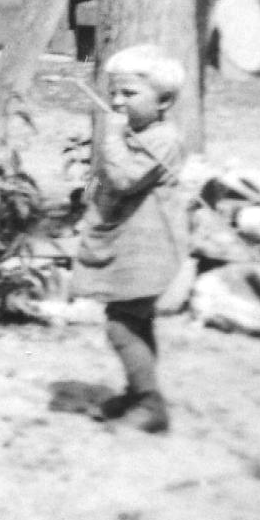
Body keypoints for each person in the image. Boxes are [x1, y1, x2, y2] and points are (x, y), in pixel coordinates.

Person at [71, 44, 190, 434]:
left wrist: (110, 138)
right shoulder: (138, 132)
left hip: (148, 246)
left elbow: (123, 179)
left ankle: (150, 403)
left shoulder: (162, 139)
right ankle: (140, 391)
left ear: (164, 101)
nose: (118, 102)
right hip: (129, 241)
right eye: (114, 93)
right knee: (133, 321)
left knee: (120, 325)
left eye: (130, 94)